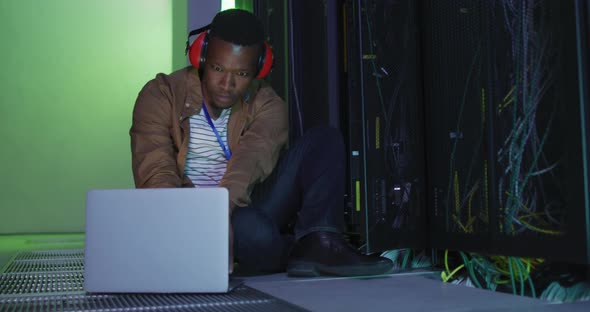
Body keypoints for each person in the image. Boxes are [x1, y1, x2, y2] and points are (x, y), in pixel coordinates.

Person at [130, 8, 393, 276]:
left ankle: (320, 241)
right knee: (256, 234)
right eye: (218, 68)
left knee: (324, 140)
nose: (227, 84)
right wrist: (182, 233)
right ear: (202, 55)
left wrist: (221, 214)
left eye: (242, 74)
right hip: (185, 216)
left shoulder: (267, 104)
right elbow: (156, 170)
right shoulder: (161, 94)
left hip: (240, 207)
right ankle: (294, 250)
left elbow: (250, 160)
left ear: (259, 68)